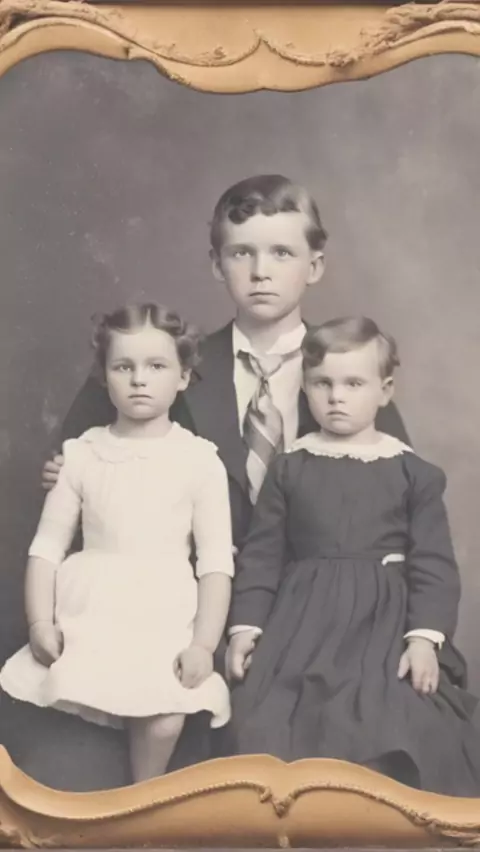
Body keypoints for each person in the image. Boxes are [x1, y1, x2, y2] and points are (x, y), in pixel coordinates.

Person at [38, 175, 415, 769]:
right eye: (241, 254)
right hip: (179, 617)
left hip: (321, 617)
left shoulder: (350, 375)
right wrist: (64, 469)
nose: (261, 272)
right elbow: (82, 465)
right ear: (217, 264)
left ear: (315, 266)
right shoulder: (164, 362)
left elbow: (396, 504)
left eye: (282, 253)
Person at [225, 316, 480, 796]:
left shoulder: (413, 474)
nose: (336, 397)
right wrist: (245, 628)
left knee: (395, 721)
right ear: (305, 387)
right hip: (301, 623)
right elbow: (262, 557)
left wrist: (424, 640)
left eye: (353, 384)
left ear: (385, 391)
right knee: (266, 721)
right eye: (322, 383)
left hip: (381, 624)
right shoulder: (289, 468)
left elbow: (433, 567)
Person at [0, 303, 234, 783]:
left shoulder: (199, 460)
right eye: (123, 367)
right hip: (92, 609)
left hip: (163, 610)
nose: (139, 380)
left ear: (183, 377)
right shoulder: (82, 455)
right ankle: (105, 800)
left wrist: (203, 643)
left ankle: (142, 797)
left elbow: (215, 563)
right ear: (104, 376)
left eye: (157, 366)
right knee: (76, 737)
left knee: (165, 716)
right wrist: (40, 621)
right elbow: (46, 549)